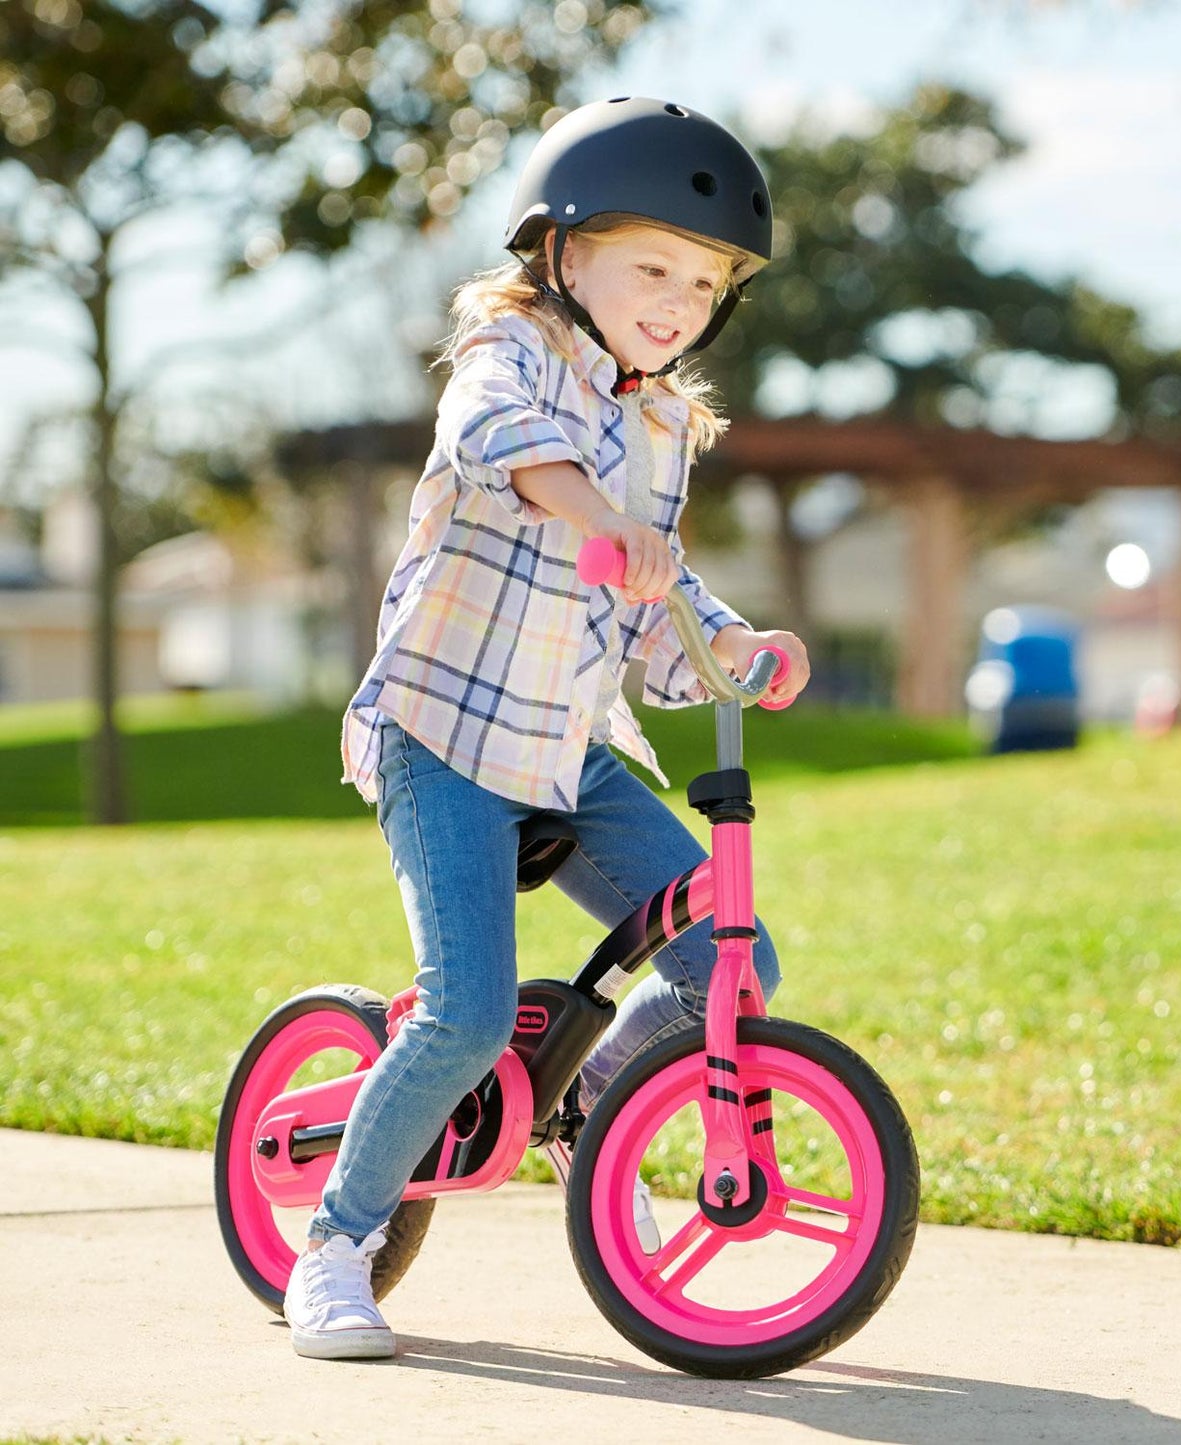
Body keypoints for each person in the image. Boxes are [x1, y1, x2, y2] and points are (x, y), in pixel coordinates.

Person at [283, 96, 810, 1360]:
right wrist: (593, 514)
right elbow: (492, 444)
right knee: (462, 1014)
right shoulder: (505, 352)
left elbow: (650, 602)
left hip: (567, 752)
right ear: (563, 254)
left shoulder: (662, 421)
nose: (677, 299)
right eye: (650, 266)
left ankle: (585, 1105)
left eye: (702, 279)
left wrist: (728, 645)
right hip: (448, 732)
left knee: (732, 963)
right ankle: (336, 1243)